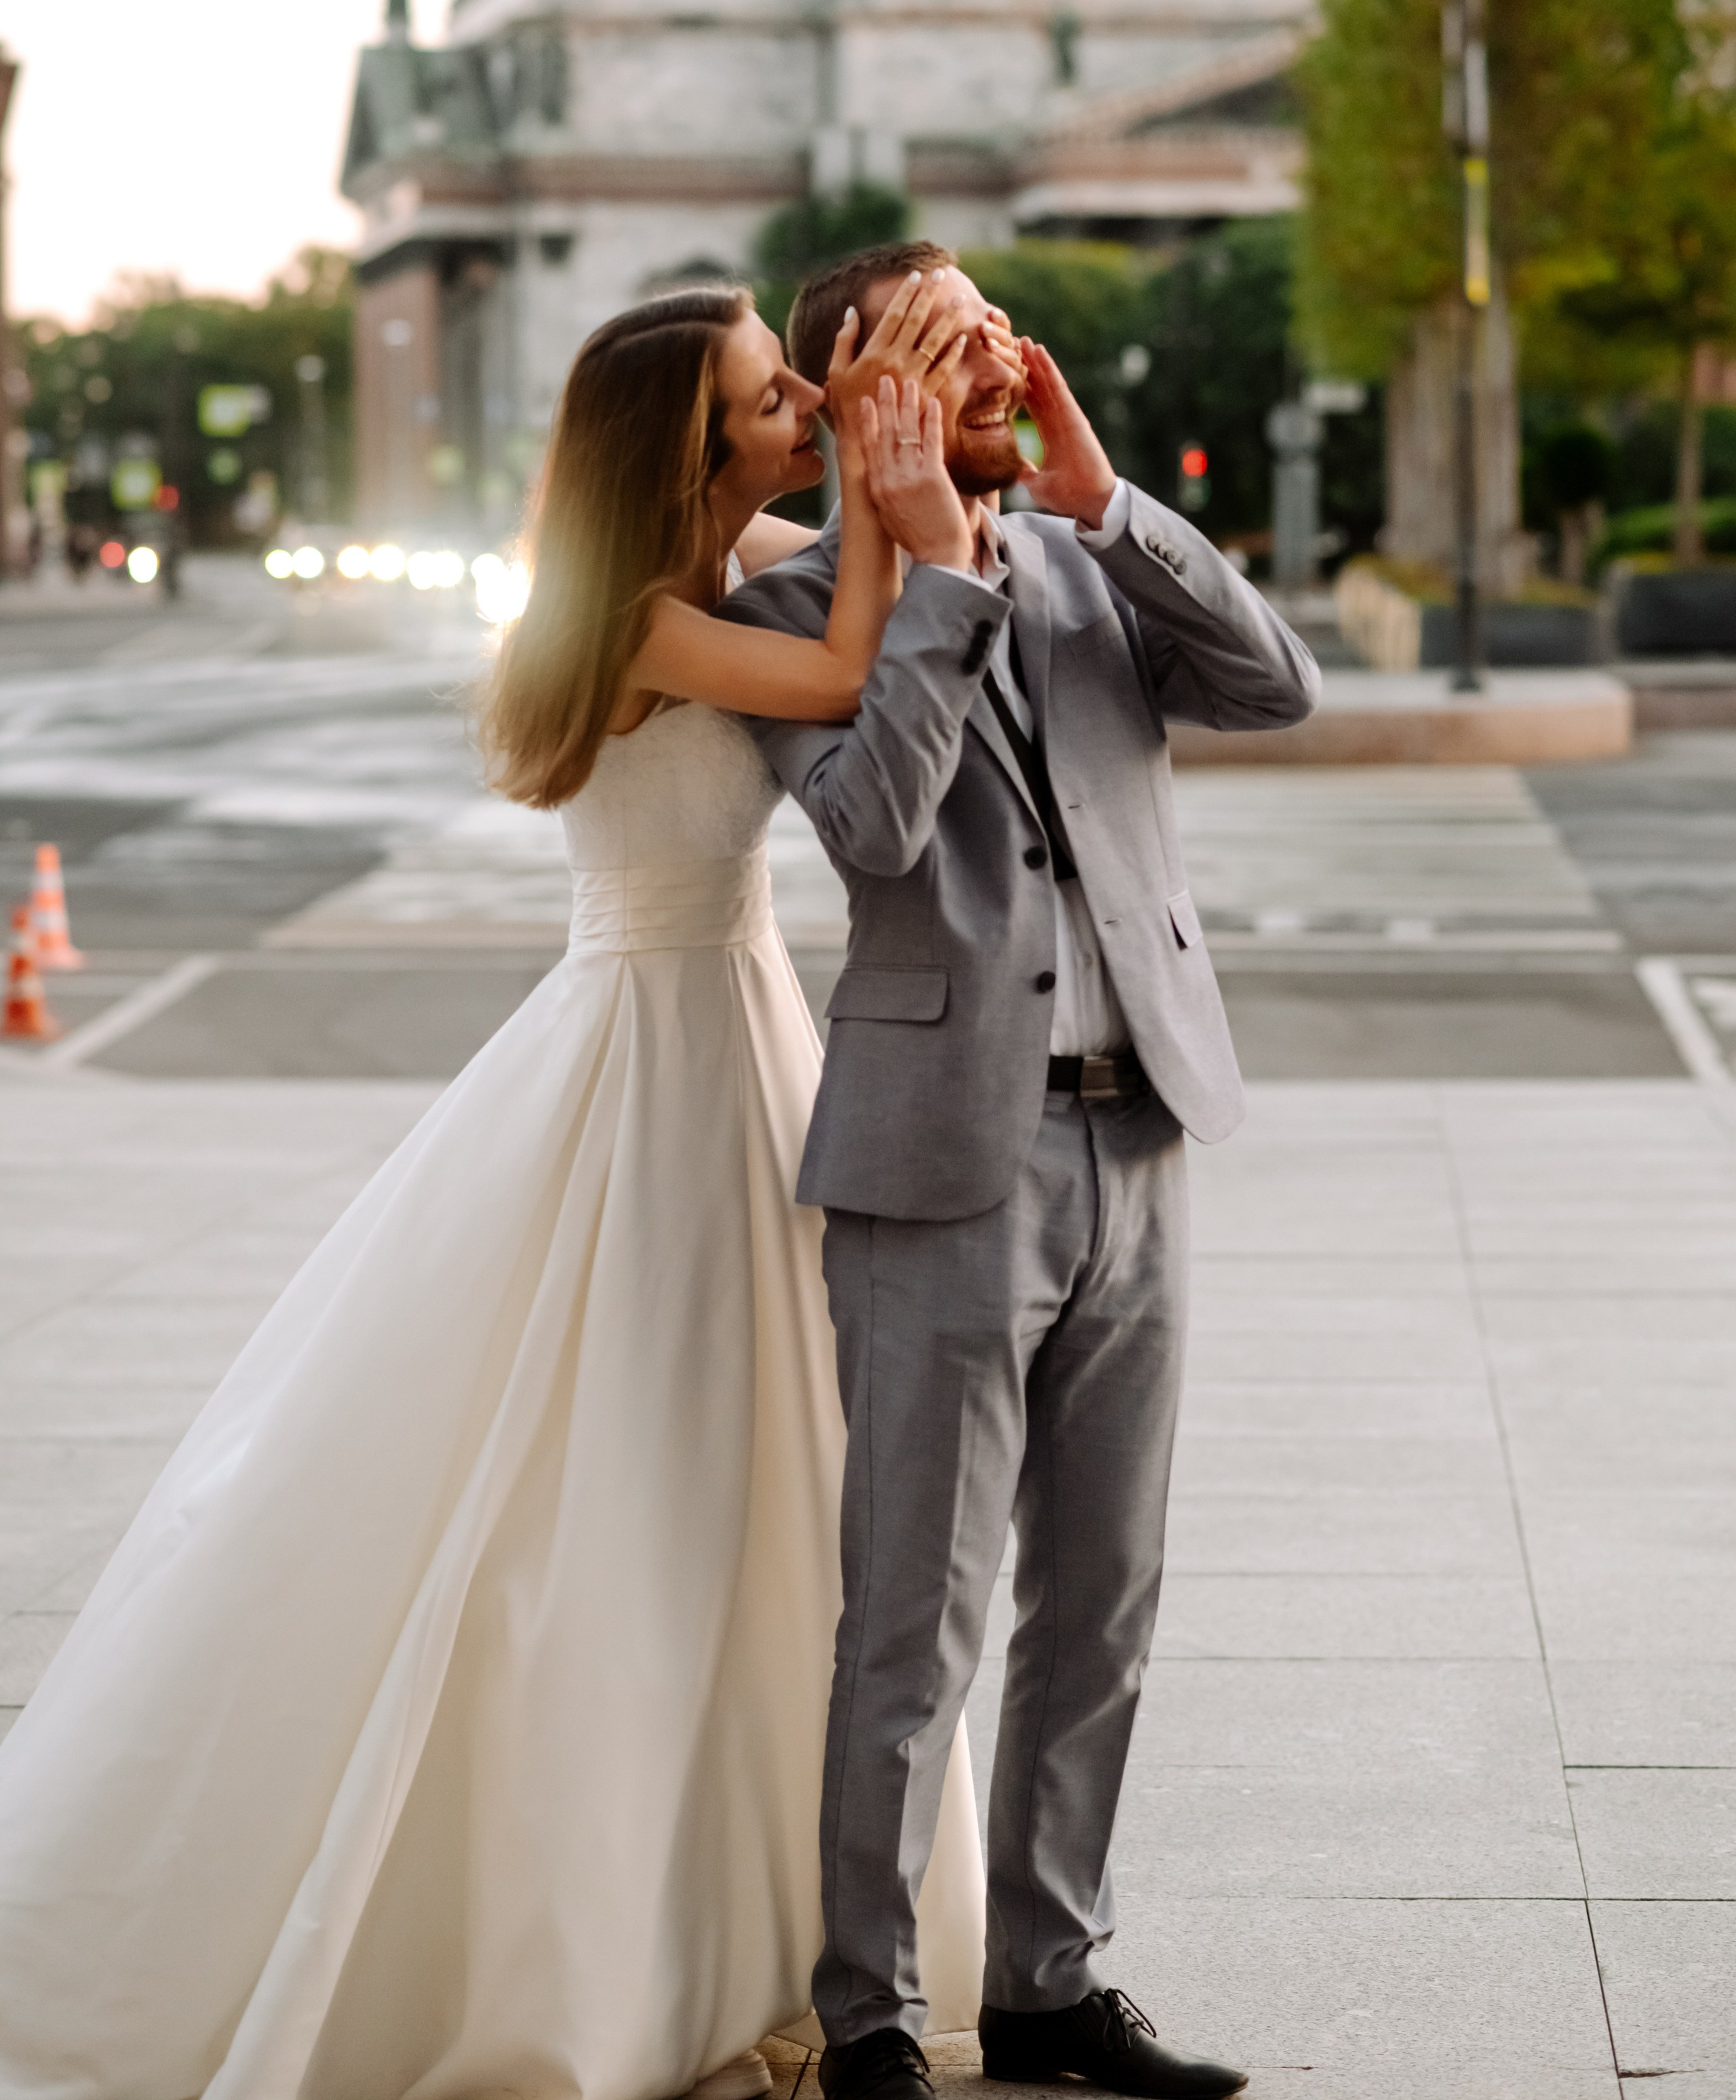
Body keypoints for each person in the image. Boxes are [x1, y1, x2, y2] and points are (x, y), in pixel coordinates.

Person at [0, 280, 989, 2100]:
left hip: (747, 1035)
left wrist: (894, 444)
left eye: (789, 390)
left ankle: (786, 1909)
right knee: (605, 1483)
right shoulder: (631, 615)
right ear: (687, 450)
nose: (798, 417)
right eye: (771, 400)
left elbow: (889, 587)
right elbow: (850, 667)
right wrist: (879, 496)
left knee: (775, 1490)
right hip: (648, 1051)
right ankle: (606, 1934)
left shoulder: (726, 545)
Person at [723, 242, 1324, 2100]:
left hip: (1140, 1121)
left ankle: (1055, 1977)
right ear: (859, 393)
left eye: (993, 322)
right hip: (942, 1155)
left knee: (1109, 1585)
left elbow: (1277, 683)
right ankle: (875, 2010)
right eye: (945, 340)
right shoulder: (804, 609)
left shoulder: (1091, 558)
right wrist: (928, 568)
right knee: (918, 1607)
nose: (996, 350)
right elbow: (876, 825)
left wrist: (1099, 497)